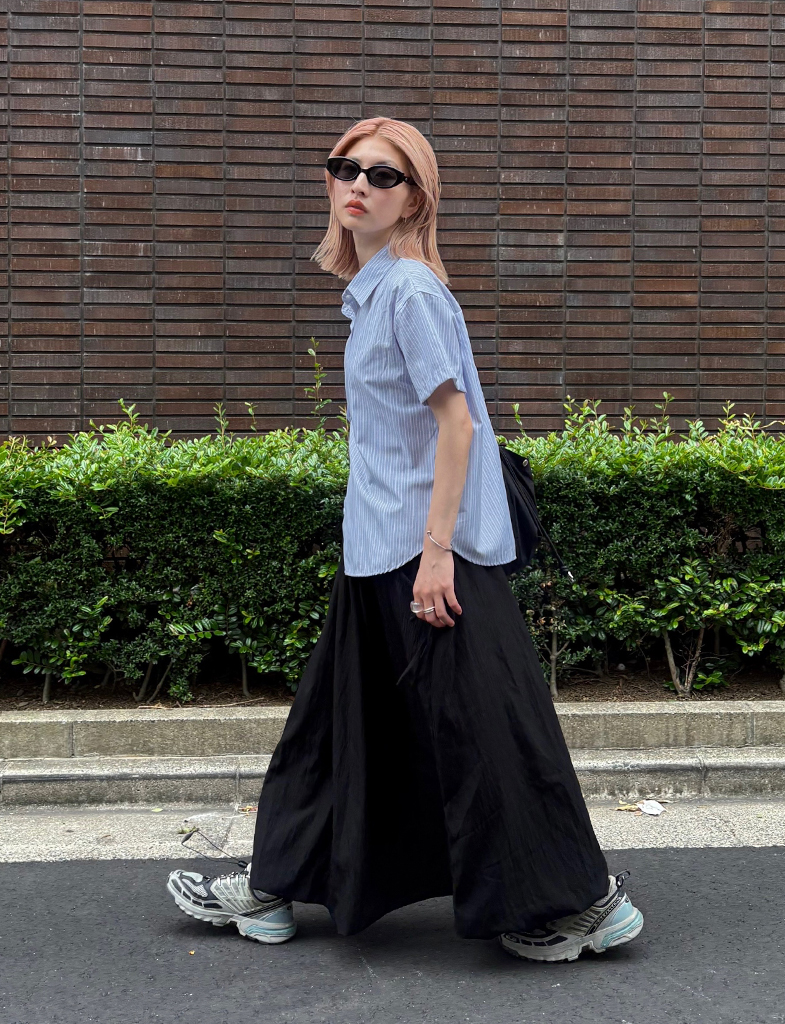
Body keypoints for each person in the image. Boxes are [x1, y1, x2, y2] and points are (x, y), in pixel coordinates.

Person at [166, 116, 644, 963]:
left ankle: (579, 906)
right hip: (377, 553)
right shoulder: (375, 291)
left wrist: (435, 554)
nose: (358, 185)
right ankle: (273, 888)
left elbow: (457, 426)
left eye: (383, 175)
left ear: (415, 199)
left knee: (488, 734)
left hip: (428, 560)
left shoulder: (411, 292)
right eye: (345, 168)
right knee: (338, 732)